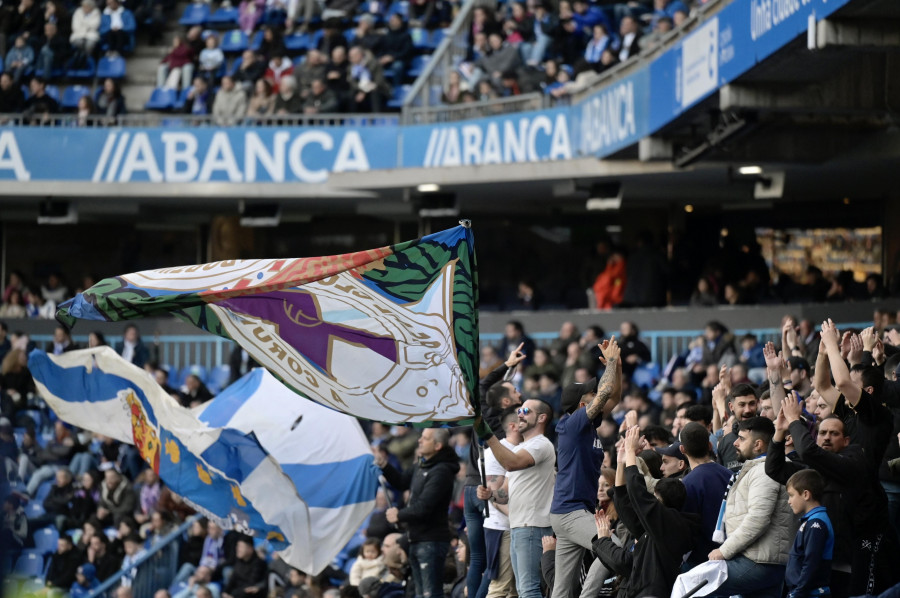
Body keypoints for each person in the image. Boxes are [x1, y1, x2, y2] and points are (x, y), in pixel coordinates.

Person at [549, 338, 621, 598]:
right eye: (589, 394)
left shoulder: (585, 425)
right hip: (571, 511)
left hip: (573, 511)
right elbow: (604, 394)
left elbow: (614, 396)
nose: (596, 395)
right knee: (613, 548)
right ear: (582, 405)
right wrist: (610, 362)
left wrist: (618, 365)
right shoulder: (571, 424)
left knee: (562, 588)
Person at [592, 425, 701, 597]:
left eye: (654, 498)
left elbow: (637, 492)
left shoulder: (671, 524)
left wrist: (630, 453)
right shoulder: (654, 528)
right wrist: (621, 462)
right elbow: (624, 500)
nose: (649, 503)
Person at [707, 416, 796, 598]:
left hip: (760, 561)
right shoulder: (760, 467)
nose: (735, 443)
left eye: (741, 438)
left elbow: (758, 517)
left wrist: (724, 551)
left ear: (758, 445)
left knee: (694, 585)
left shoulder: (764, 471)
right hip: (764, 559)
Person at [477, 399, 556, 598]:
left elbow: (511, 464)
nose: (520, 414)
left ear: (541, 418)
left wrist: (488, 435)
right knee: (522, 590)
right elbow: (504, 494)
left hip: (532, 525)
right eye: (519, 410)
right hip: (519, 525)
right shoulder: (523, 448)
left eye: (526, 411)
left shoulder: (540, 445)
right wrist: (491, 494)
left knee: (529, 589)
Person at [377, 428, 459, 598]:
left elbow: (424, 507)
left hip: (431, 541)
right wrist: (384, 465)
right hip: (416, 538)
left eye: (425, 438)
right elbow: (401, 482)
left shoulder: (441, 471)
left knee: (430, 594)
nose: (419, 441)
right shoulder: (421, 464)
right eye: (421, 437)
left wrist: (399, 515)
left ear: (437, 445)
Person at [680, 421, 733, 567]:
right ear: (710, 445)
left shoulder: (686, 484)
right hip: (732, 555)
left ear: (682, 449)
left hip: (701, 562)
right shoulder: (730, 475)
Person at [785, 469, 834, 598]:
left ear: (806, 494)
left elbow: (811, 562)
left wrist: (798, 592)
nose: (789, 501)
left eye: (791, 495)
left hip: (810, 594)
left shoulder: (816, 523)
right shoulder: (811, 521)